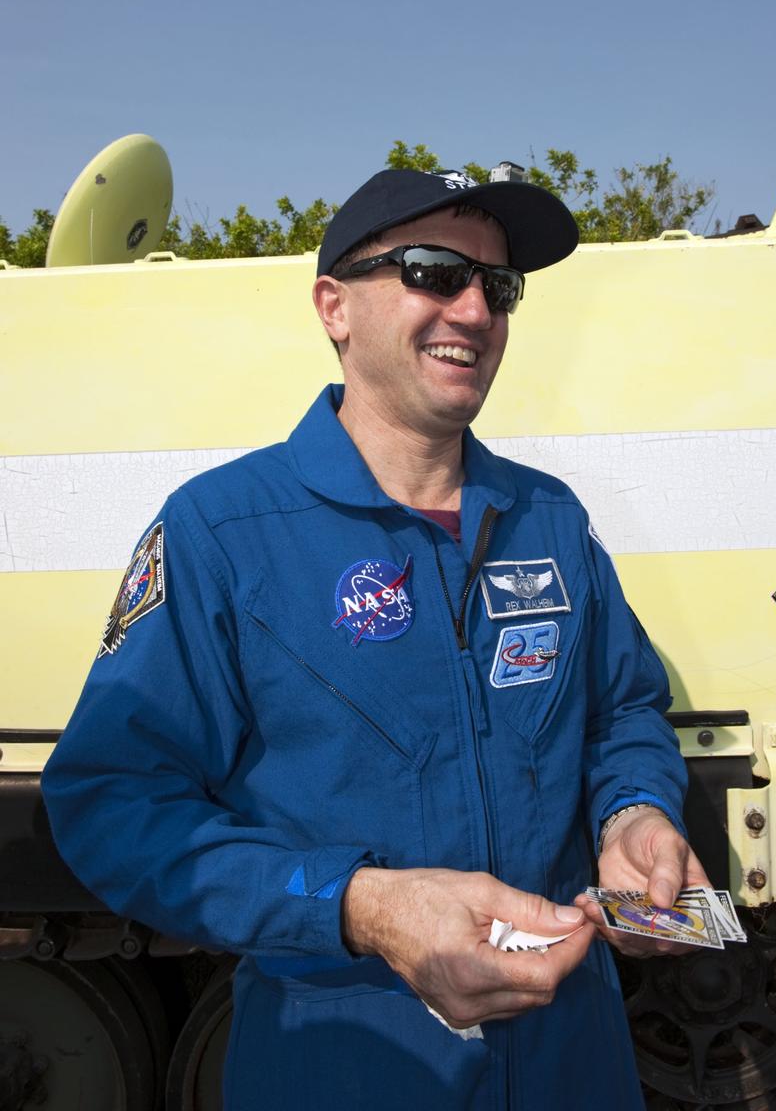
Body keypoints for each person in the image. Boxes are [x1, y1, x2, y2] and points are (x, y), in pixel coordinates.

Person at [43, 166, 709, 1109]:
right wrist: (365, 907)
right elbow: (112, 803)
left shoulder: (548, 518)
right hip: (348, 1056)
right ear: (334, 307)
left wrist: (632, 812)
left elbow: (622, 709)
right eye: (433, 271)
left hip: (576, 1056)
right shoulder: (221, 531)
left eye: (498, 285)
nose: (474, 308)